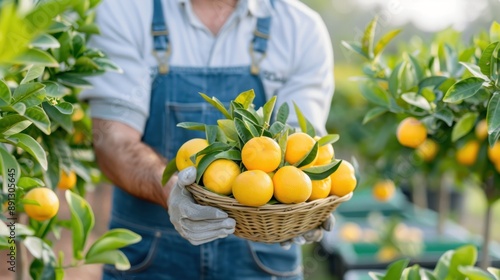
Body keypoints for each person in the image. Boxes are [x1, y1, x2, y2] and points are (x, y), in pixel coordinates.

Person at [81, 0, 335, 279]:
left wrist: (302, 203)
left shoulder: (300, 28)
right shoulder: (125, 11)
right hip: (147, 251)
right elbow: (112, 142)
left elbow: (301, 146)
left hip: (261, 256)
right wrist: (171, 190)